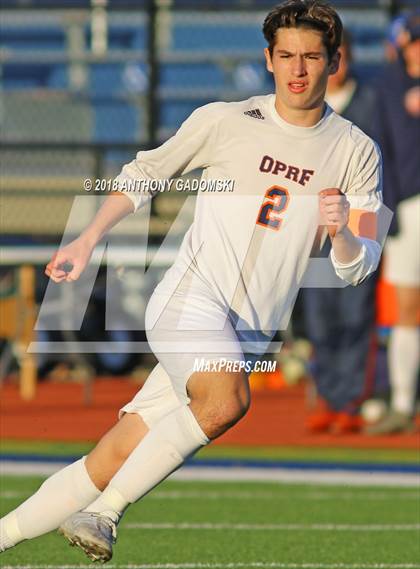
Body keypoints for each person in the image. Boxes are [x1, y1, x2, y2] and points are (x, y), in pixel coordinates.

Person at [0, 1, 383, 562]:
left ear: (335, 61)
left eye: (311, 57)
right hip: (189, 302)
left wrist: (342, 234)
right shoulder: (223, 120)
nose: (298, 69)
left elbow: (359, 262)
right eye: (286, 57)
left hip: (246, 333)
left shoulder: (358, 152)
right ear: (268, 61)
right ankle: (104, 514)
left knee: (110, 459)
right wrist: (87, 239)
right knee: (227, 398)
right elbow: (144, 175)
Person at [302, 30, 378, 434]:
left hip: (360, 220)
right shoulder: (304, 104)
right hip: (314, 226)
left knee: (355, 314)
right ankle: (329, 397)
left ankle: (351, 401)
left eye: (341, 55)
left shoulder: (371, 100)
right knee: (320, 318)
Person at [367, 11, 420, 435]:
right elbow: (380, 147)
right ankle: (403, 402)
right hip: (407, 206)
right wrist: (389, 214)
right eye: (414, 41)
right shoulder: (387, 86)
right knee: (406, 309)